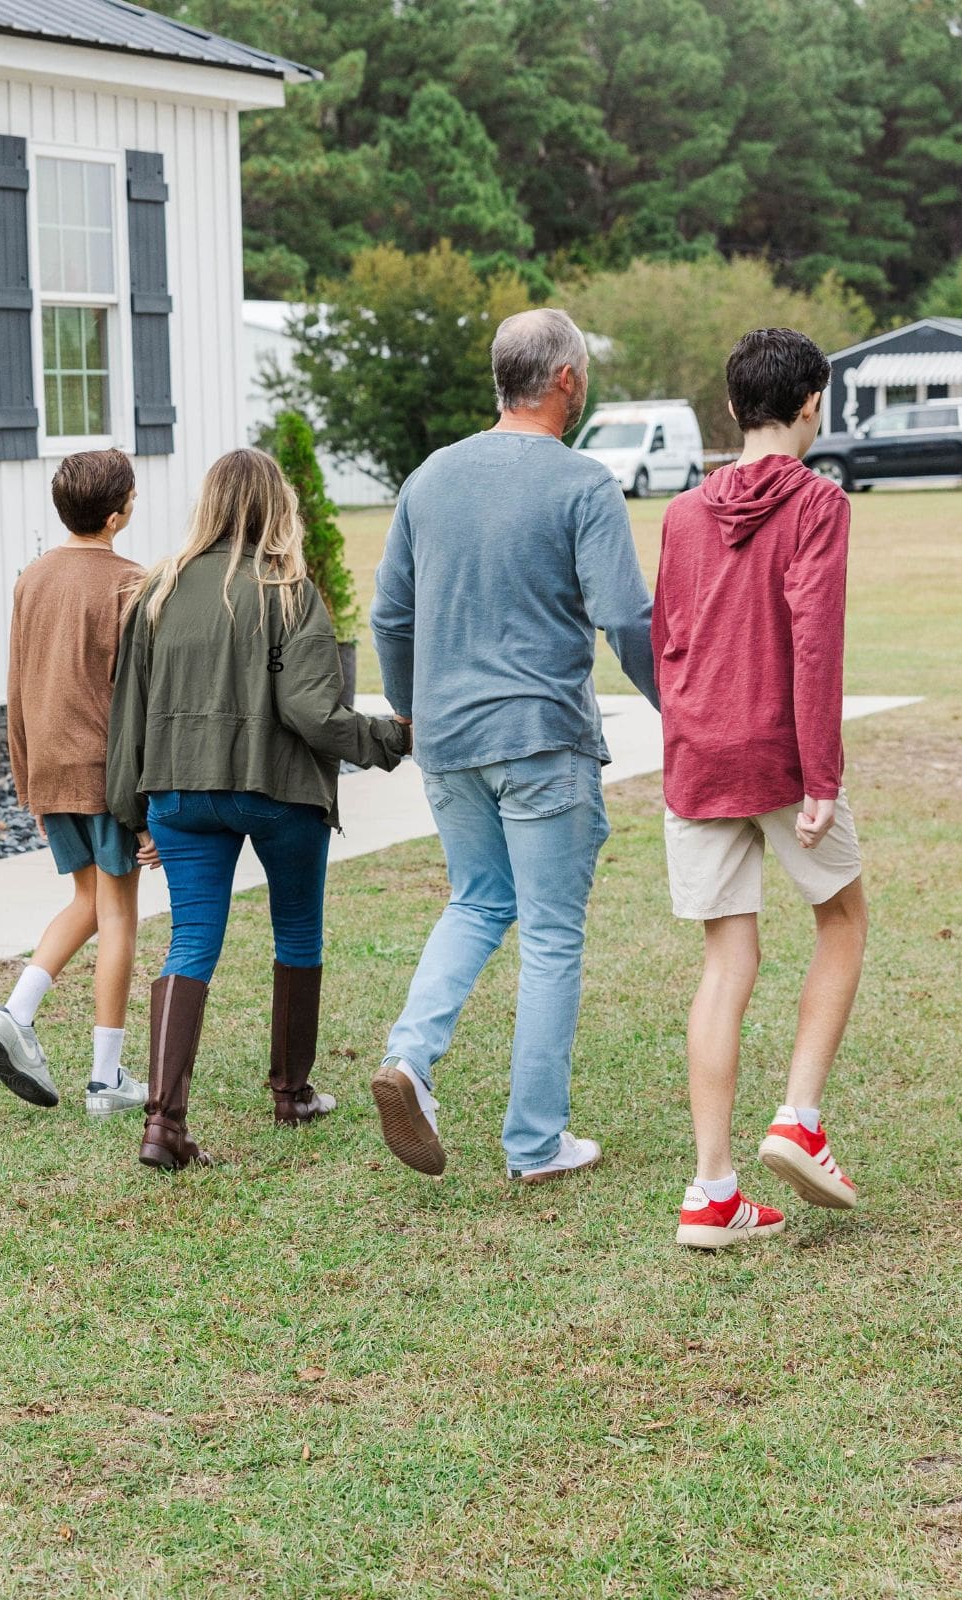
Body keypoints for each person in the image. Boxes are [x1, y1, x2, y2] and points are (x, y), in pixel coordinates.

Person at [370, 308, 659, 1184]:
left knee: (475, 901)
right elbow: (625, 618)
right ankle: (535, 1143)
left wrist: (413, 709)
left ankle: (410, 1057)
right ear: (566, 380)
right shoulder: (583, 483)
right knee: (551, 936)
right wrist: (676, 707)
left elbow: (390, 615)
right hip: (541, 738)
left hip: (450, 740)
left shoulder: (429, 478)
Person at [106, 448, 410, 1171]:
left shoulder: (157, 591)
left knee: (191, 941)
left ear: (208, 504)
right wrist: (389, 740)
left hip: (180, 793)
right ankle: (291, 1092)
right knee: (297, 930)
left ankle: (163, 1124)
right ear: (279, 507)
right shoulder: (289, 591)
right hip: (279, 792)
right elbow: (309, 711)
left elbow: (126, 718)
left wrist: (134, 814)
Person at [653, 327, 866, 1250]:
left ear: (734, 408)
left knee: (725, 964)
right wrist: (821, 775)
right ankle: (800, 1120)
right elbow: (814, 639)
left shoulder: (682, 514)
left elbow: (665, 641)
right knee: (844, 921)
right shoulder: (820, 504)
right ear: (813, 402)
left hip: (697, 754)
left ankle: (712, 1192)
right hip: (780, 753)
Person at [0, 450, 149, 1118]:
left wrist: (28, 784)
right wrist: (146, 803)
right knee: (118, 915)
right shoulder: (133, 583)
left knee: (87, 900)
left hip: (49, 769)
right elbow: (137, 703)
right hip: (106, 774)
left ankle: (15, 1014)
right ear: (116, 514)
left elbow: (16, 685)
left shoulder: (31, 579)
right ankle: (106, 1081)